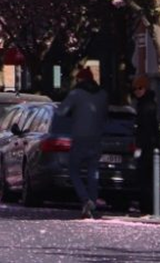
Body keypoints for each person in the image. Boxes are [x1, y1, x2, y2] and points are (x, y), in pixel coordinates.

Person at [57, 67, 109, 219]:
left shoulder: (76, 94)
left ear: (80, 80)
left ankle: (85, 199)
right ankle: (92, 202)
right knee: (93, 172)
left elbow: (61, 112)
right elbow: (105, 114)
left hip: (80, 137)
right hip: (97, 138)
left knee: (73, 170)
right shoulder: (103, 94)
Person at [132, 75, 160, 215]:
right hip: (148, 146)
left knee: (146, 180)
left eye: (140, 88)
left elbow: (148, 129)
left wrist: (140, 145)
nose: (137, 91)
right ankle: (151, 208)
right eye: (135, 89)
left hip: (148, 147)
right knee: (146, 180)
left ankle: (150, 208)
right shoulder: (143, 104)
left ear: (145, 88)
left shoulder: (147, 105)